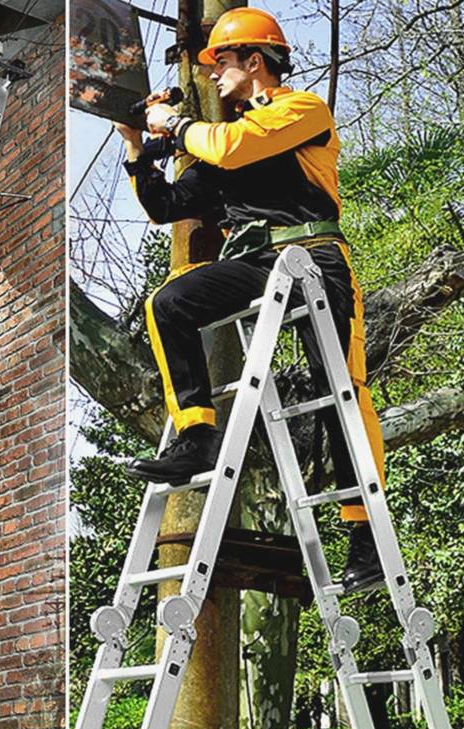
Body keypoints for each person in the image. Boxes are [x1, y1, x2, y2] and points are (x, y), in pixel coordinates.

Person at [114, 7, 386, 593]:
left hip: (316, 261)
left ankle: (365, 534)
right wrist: (139, 145)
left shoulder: (298, 110)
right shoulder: (224, 145)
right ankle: (197, 432)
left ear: (256, 62)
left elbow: (233, 147)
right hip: (259, 265)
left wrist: (177, 124)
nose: (213, 75)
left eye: (223, 63)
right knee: (171, 303)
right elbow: (167, 206)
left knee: (338, 391)